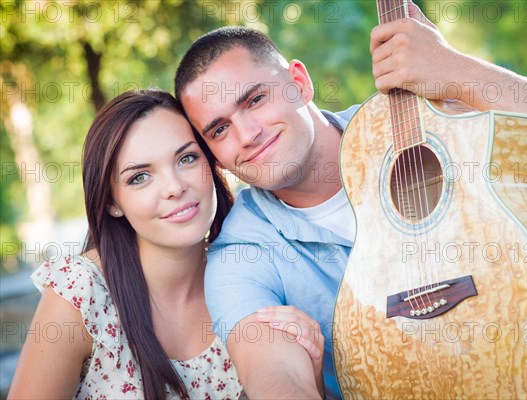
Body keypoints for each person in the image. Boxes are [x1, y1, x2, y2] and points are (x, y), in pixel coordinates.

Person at [174, 1, 527, 398]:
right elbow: (271, 370)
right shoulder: (242, 252)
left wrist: (456, 70)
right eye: (219, 130)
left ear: (299, 83)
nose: (247, 134)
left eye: (256, 99)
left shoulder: (434, 122)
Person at [8, 90, 325, 399]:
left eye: (187, 158)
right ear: (111, 202)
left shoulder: (250, 278)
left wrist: (310, 379)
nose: (174, 187)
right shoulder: (81, 294)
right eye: (139, 177)